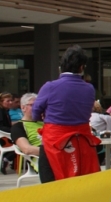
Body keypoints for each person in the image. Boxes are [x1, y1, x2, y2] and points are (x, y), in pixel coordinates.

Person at [32, 45, 100, 180]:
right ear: (82, 67)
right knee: (83, 179)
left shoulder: (50, 86)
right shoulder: (89, 88)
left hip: (54, 140)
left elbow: (35, 113)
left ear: (60, 67)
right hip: (83, 139)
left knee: (51, 182)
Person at [9, 92, 55, 183]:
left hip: (58, 154)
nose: (37, 108)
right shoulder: (18, 127)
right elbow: (27, 149)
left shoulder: (48, 122)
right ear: (23, 107)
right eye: (33, 105)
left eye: (39, 105)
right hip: (41, 159)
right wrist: (54, 151)